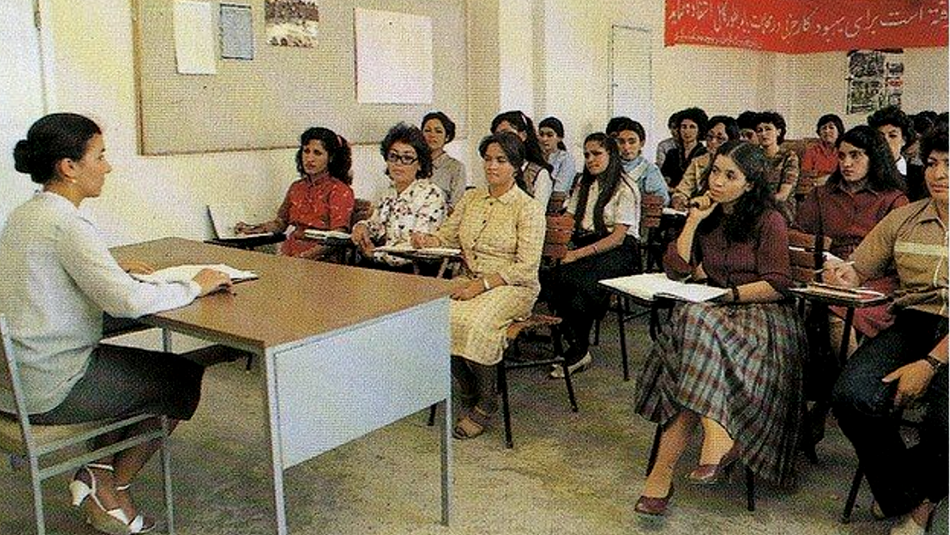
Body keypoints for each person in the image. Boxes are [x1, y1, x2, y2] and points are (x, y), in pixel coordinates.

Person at [0, 113, 234, 535]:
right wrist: (193, 286)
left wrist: (109, 268)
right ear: (69, 167)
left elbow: (55, 273)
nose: (107, 166)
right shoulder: (68, 223)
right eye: (100, 156)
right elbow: (126, 302)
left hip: (14, 378)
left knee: (145, 373)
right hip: (51, 386)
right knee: (179, 377)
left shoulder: (25, 216)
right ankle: (109, 482)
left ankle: (97, 473)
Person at [633, 140, 805, 517]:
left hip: (764, 318)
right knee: (694, 323)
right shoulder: (709, 216)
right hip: (713, 320)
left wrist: (726, 296)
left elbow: (778, 284)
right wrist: (693, 220)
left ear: (750, 183)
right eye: (716, 171)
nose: (719, 181)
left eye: (731, 176)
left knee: (692, 322)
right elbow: (676, 268)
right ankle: (716, 438)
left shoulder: (768, 219)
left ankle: (661, 475)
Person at [828, 128, 948, 535]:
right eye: (932, 163)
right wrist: (844, 274)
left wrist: (931, 364)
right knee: (851, 395)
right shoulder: (906, 217)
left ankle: (924, 504)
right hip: (914, 322)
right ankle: (906, 492)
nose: (938, 173)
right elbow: (860, 267)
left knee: (943, 422)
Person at [411, 132, 545, 440]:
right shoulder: (472, 198)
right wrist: (427, 239)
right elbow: (446, 237)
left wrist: (481, 286)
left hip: (513, 286)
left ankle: (487, 400)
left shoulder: (528, 208)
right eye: (488, 159)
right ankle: (468, 388)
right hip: (468, 279)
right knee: (436, 317)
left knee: (474, 323)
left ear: (517, 166)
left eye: (501, 160)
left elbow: (526, 267)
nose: (492, 166)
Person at [795, 125, 908, 344]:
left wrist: (856, 272)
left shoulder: (894, 199)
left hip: (877, 279)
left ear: (874, 157)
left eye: (855, 155)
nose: (846, 163)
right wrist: (820, 257)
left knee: (839, 312)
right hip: (826, 271)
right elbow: (797, 234)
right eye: (842, 156)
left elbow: (899, 257)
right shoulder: (822, 194)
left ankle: (848, 376)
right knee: (797, 304)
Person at [546, 133, 641, 378]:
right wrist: (557, 242)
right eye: (587, 154)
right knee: (552, 277)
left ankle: (578, 350)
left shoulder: (625, 187)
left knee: (578, 281)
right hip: (588, 244)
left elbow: (618, 237)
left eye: (597, 154)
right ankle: (576, 345)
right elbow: (569, 219)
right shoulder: (584, 184)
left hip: (619, 251)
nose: (590, 159)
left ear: (611, 154)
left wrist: (576, 255)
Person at [236, 127, 355, 259]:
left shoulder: (340, 190)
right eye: (306, 151)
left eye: (317, 153)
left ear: (331, 158)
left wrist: (304, 257)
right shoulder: (297, 187)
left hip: (322, 259)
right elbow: (280, 223)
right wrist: (252, 229)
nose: (309, 158)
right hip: (290, 253)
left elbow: (337, 236)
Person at [351, 123, 446, 269]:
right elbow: (376, 226)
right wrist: (362, 226)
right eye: (393, 156)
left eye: (407, 158)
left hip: (415, 271)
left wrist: (374, 255)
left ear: (420, 163)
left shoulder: (431, 195)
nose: (398, 164)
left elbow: (419, 249)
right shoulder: (388, 192)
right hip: (382, 265)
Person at [671, 115, 740, 211]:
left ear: (732, 141)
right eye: (709, 137)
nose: (713, 141)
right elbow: (683, 189)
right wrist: (678, 199)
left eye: (720, 139)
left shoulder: (739, 165)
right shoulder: (698, 161)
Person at [490, 110, 555, 209]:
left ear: (523, 135)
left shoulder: (539, 174)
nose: (501, 141)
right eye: (497, 135)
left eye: (506, 134)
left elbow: (537, 213)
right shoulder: (493, 169)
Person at [606, 116, 669, 205]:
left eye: (632, 142)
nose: (626, 147)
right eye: (621, 142)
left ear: (641, 143)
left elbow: (663, 199)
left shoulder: (649, 170)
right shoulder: (607, 165)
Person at [755, 111, 800, 222]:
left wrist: (758, 203)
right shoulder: (754, 156)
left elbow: (783, 195)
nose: (763, 134)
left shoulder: (789, 157)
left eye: (768, 129)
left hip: (781, 209)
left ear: (778, 132)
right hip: (756, 206)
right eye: (759, 130)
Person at [421, 111, 467, 209]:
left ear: (447, 137)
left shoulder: (456, 167)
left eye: (438, 131)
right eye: (427, 130)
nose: (432, 135)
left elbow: (456, 206)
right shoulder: (413, 164)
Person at [660, 107, 708, 189]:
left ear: (699, 130)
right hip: (671, 194)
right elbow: (664, 177)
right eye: (684, 126)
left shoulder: (705, 153)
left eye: (692, 127)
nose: (687, 131)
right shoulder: (672, 153)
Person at [868, 105, 914, 177]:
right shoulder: (865, 173)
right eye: (880, 136)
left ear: (904, 140)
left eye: (892, 136)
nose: (885, 141)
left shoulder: (919, 175)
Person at [801, 114, 846, 187]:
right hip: (817, 188)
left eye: (831, 127)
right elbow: (805, 175)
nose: (827, 131)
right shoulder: (812, 151)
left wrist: (828, 178)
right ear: (819, 132)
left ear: (839, 131)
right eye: (824, 128)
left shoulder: (845, 150)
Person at [538, 116, 578, 194]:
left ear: (559, 138)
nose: (544, 139)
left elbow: (560, 189)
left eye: (549, 135)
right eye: (541, 135)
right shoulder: (536, 157)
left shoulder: (565, 159)